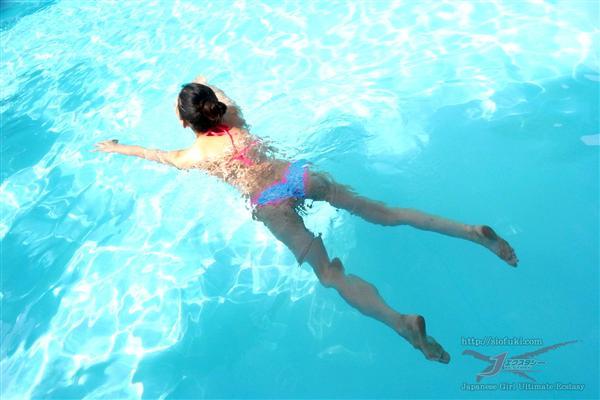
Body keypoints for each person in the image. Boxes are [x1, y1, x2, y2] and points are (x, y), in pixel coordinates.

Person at [93, 76, 518, 364]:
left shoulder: (193, 155)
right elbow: (217, 91)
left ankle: (401, 323)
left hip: (268, 202)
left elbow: (154, 155)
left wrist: (117, 147)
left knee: (331, 275)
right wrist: (200, 84)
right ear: (215, 106)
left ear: (185, 121)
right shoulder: (235, 117)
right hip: (295, 176)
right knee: (385, 213)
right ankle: (471, 233)